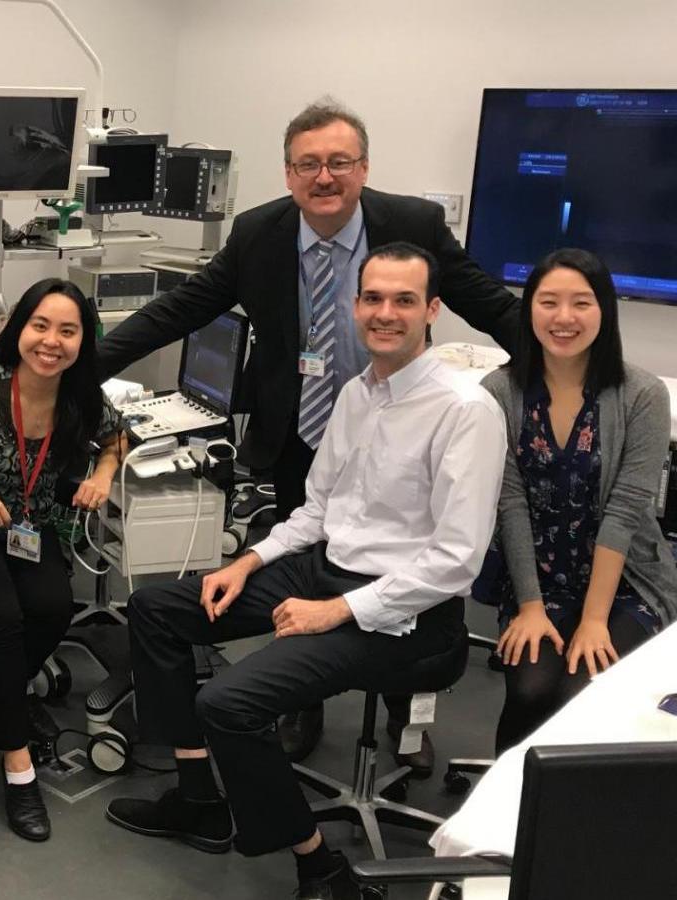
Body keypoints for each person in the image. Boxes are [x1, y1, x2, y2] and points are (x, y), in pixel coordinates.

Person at [96, 98, 522, 764]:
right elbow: (182, 308)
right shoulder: (259, 233)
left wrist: (567, 367)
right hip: (310, 425)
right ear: (289, 174)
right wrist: (83, 366)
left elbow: (486, 301)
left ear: (363, 168)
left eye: (339, 163)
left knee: (406, 556)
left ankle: (407, 710)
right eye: (308, 165)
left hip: (405, 425)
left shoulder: (412, 225)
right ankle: (302, 700)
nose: (325, 178)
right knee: (317, 568)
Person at [103, 244, 506, 900]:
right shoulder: (355, 394)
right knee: (158, 611)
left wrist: (335, 612)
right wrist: (248, 560)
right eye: (372, 298)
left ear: (432, 310)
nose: (385, 312)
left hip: (406, 616)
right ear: (354, 307)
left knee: (227, 703)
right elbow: (318, 510)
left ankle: (321, 866)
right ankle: (200, 797)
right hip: (324, 571)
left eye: (404, 300)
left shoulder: (466, 410)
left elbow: (456, 560)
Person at [476, 248, 677, 754]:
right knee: (531, 688)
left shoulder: (643, 395)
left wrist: (594, 620)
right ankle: (502, 820)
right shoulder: (498, 391)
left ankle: (572, 821)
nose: (563, 318)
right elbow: (509, 506)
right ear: (529, 311)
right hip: (537, 578)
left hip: (626, 582)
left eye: (581, 303)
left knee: (582, 690)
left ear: (604, 312)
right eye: (548, 302)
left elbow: (626, 510)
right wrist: (528, 605)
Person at [0, 278, 125, 841]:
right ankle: (18, 769)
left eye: (67, 331)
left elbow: (119, 437)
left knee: (51, 608)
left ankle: (6, 699)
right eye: (40, 326)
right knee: (2, 618)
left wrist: (102, 474)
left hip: (30, 525)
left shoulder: (81, 398)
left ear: (82, 340)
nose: (51, 341)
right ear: (19, 329)